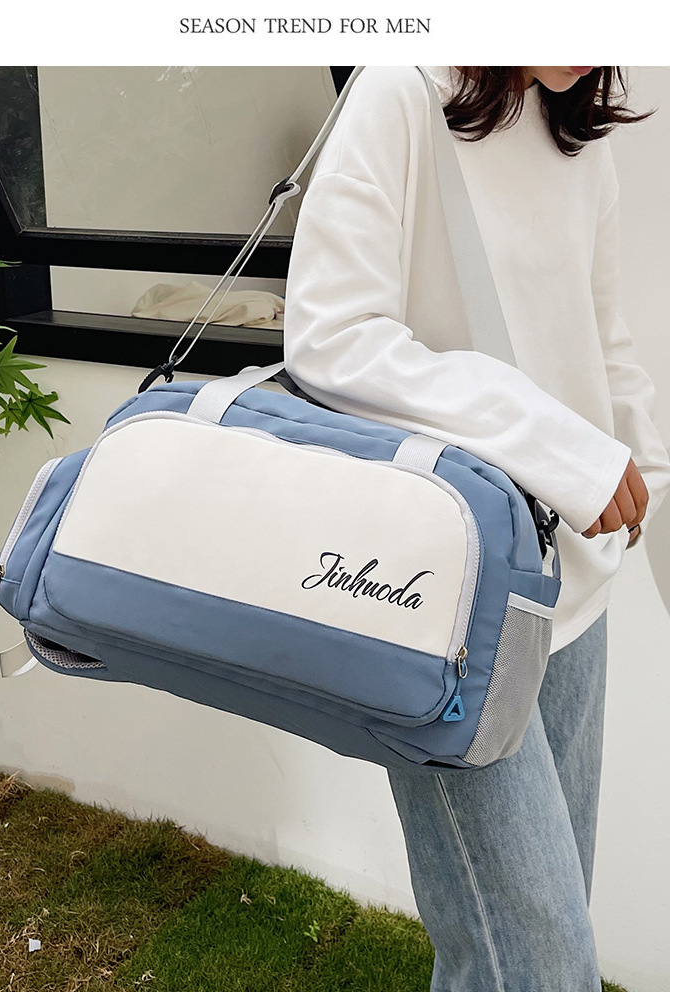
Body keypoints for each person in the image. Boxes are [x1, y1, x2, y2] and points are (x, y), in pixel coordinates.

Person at [282, 66, 670, 992]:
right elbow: (331, 336)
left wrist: (647, 490)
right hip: (446, 603)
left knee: (537, 940)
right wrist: (561, 450)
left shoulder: (576, 135)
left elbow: (604, 346)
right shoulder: (400, 93)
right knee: (535, 962)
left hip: (572, 588)